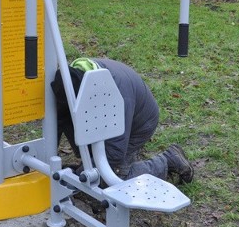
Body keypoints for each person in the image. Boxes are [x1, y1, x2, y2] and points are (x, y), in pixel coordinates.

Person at [51, 57, 194, 184]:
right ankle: (102, 160)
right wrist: (49, 161)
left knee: (110, 180)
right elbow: (57, 121)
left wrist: (83, 175)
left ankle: (168, 160)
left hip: (139, 125)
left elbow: (114, 153)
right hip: (108, 113)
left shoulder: (117, 96)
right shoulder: (71, 79)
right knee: (90, 165)